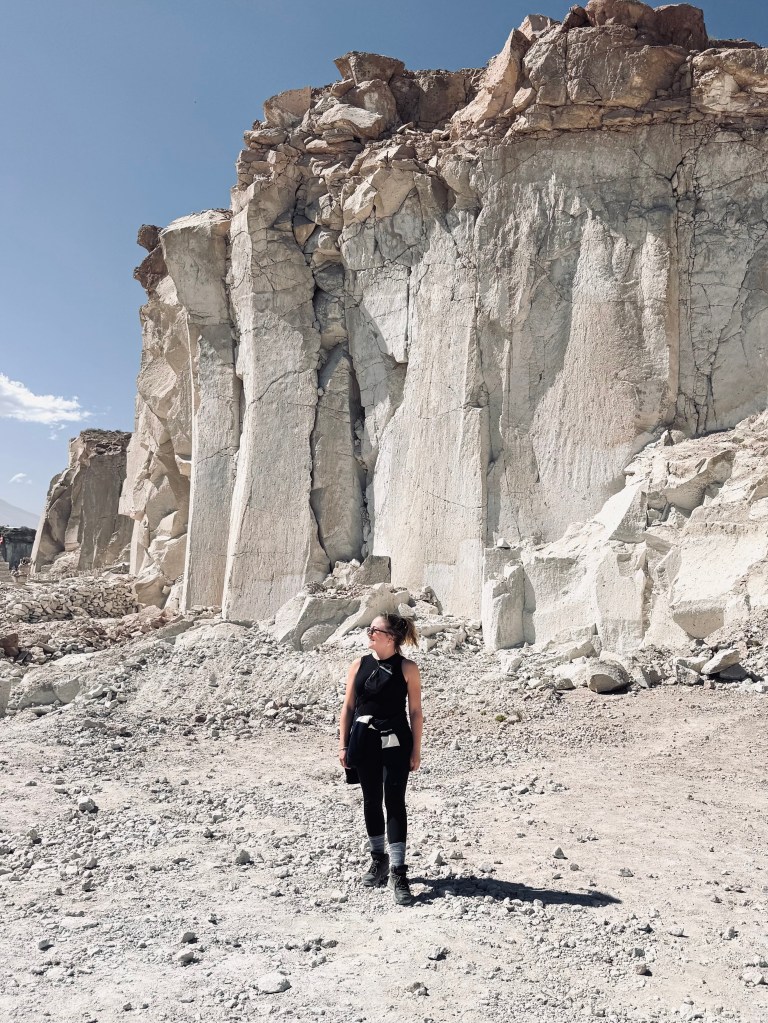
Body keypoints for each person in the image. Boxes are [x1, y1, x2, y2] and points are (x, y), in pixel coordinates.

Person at [338, 613, 422, 906]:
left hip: (397, 740)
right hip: (364, 740)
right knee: (371, 800)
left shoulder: (408, 668)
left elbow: (416, 712)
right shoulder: (358, 664)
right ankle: (379, 860)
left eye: (375, 629)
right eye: (370, 628)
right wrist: (343, 745)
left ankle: (399, 872)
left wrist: (416, 750)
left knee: (395, 802)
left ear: (391, 637)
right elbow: (348, 705)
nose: (369, 633)